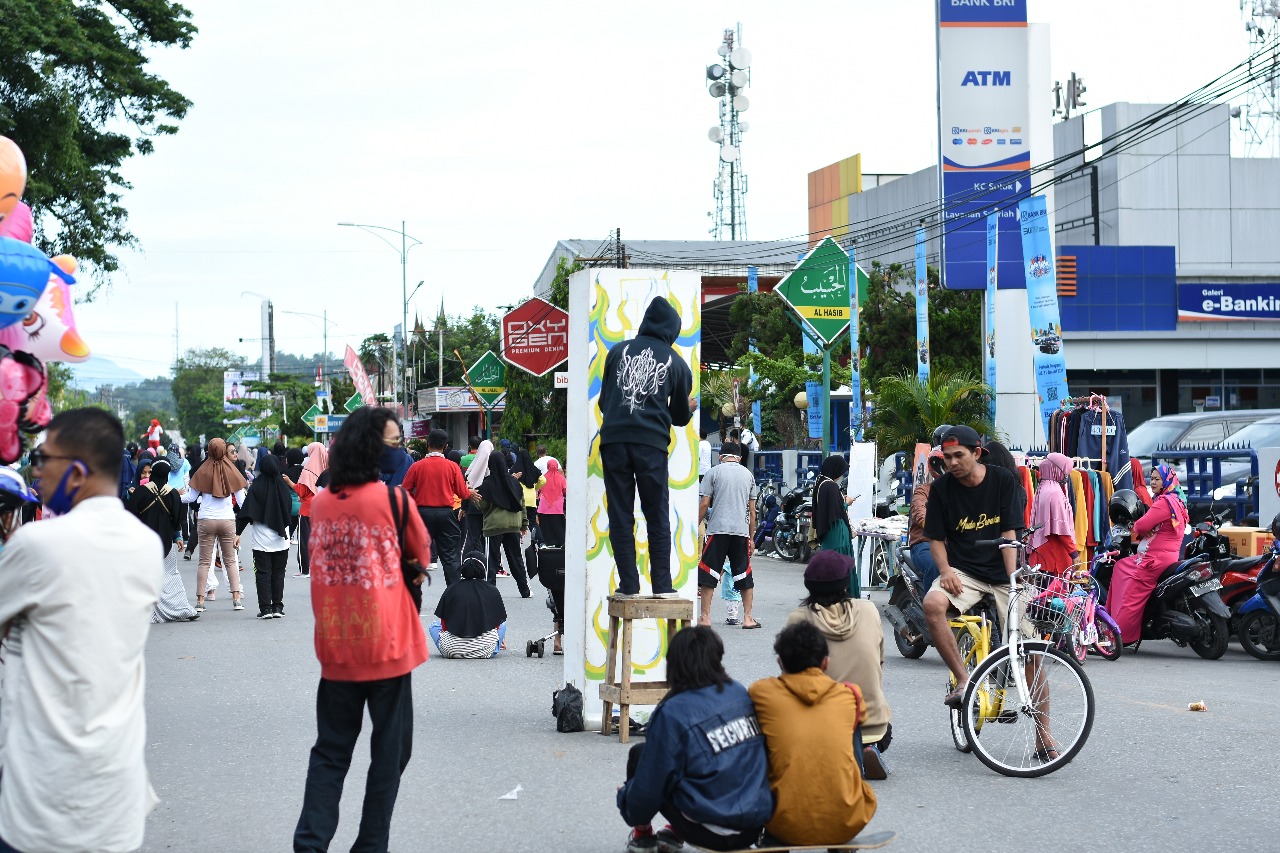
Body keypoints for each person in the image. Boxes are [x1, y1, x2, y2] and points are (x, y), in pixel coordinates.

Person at [0, 408, 163, 853]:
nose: (35, 470)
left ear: (74, 472)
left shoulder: (39, 546)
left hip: (42, 796)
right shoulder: (146, 544)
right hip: (115, 788)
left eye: (41, 459)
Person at [293, 407, 431, 853]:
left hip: (336, 646)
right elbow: (421, 557)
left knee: (331, 753)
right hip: (388, 646)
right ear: (372, 448)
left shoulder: (325, 501)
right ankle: (370, 845)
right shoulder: (393, 501)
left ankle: (310, 844)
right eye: (391, 443)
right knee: (391, 754)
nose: (396, 450)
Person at [616, 626, 773, 852]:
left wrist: (625, 797)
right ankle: (674, 830)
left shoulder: (672, 712)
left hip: (709, 831)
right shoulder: (738, 691)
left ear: (674, 665)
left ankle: (643, 836)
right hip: (753, 824)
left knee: (641, 756)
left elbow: (647, 792)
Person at [598, 296, 696, 597]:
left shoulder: (617, 352)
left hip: (613, 440)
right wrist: (688, 407)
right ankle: (663, 586)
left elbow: (604, 403)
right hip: (651, 444)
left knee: (620, 513)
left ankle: (629, 585)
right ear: (672, 330)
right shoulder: (677, 364)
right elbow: (679, 417)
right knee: (656, 513)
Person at [748, 622, 878, 848]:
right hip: (847, 820)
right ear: (825, 662)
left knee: (759, 730)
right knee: (853, 725)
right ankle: (844, 807)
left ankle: (770, 833)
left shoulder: (761, 692)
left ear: (780, 662)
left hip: (782, 823)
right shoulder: (850, 694)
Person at [922, 426, 1020, 707]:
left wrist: (1013, 579)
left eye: (958, 456)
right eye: (947, 457)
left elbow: (1010, 534)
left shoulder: (1002, 480)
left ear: (977, 453)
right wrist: (945, 571)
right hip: (964, 573)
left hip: (1004, 573)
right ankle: (964, 680)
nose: (952, 463)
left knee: (1031, 650)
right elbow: (936, 539)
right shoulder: (940, 490)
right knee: (932, 604)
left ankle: (1044, 737)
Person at [786, 551, 891, 779]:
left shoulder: (798, 619)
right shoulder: (868, 610)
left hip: (819, 725)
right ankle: (864, 750)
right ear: (845, 586)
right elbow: (879, 662)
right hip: (872, 725)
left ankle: (828, 751)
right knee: (881, 725)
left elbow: (790, 678)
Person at [1109, 464, 1189, 644]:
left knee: (1132, 594)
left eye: (1157, 479)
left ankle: (1120, 635)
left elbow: (1141, 525)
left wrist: (1135, 526)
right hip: (1168, 556)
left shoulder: (1164, 502)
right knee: (1121, 566)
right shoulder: (1177, 499)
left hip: (1154, 558)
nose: (1152, 482)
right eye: (1151, 478)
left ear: (1166, 480)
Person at [697, 441, 759, 628]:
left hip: (717, 530)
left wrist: (695, 526)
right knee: (743, 573)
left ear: (720, 456)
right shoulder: (748, 475)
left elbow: (704, 504)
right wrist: (751, 538)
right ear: (739, 458)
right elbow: (753, 511)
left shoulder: (713, 473)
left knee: (709, 572)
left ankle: (705, 618)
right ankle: (748, 618)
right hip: (740, 531)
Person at [128, 458, 199, 623]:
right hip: (166, 543)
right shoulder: (173, 494)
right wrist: (178, 536)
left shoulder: (140, 492)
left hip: (143, 544)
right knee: (170, 576)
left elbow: (130, 515)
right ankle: (180, 608)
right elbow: (177, 521)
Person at [182, 437, 248, 612]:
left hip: (206, 520)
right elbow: (242, 502)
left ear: (209, 450)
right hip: (227, 520)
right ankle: (236, 599)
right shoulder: (232, 471)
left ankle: (200, 601)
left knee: (204, 562)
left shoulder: (202, 471)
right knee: (230, 561)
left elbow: (190, 498)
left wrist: (172, 496)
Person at [402, 428, 475, 587]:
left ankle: (415, 598)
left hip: (422, 514)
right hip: (446, 514)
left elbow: (405, 491)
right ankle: (454, 595)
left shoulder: (417, 466)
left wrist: (415, 502)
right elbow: (462, 492)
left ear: (428, 444)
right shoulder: (452, 466)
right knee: (450, 558)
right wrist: (470, 491)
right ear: (445, 446)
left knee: (417, 556)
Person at [236, 453, 293, 619]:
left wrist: (238, 533)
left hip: (261, 540)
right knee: (278, 573)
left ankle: (266, 608)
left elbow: (246, 512)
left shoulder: (256, 487)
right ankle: (277, 607)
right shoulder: (283, 488)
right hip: (281, 539)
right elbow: (289, 512)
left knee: (262, 573)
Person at [476, 444, 532, 598]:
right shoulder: (514, 483)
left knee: (491, 561)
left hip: (494, 526)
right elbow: (522, 504)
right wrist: (524, 524)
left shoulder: (487, 484)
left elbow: (482, 504)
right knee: (516, 560)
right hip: (513, 525)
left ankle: (489, 591)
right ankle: (525, 590)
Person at [429, 552, 508, 658]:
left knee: (434, 626)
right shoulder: (492, 590)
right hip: (485, 649)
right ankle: (496, 645)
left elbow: (444, 625)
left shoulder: (451, 589)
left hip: (452, 650)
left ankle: (455, 646)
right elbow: (497, 624)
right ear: (484, 569)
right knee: (503, 625)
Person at [812, 453, 859, 596]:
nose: (840, 475)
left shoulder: (820, 482)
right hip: (837, 533)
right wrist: (847, 502)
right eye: (840, 472)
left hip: (828, 535)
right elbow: (837, 510)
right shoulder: (831, 486)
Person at [1027, 452, 1079, 575]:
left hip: (1042, 555)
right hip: (1054, 558)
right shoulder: (1054, 493)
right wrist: (1074, 553)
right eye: (1064, 470)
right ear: (1056, 469)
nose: (1066, 474)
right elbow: (1061, 529)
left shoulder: (1042, 488)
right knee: (1055, 593)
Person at [907, 447, 946, 595]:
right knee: (935, 564)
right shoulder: (923, 490)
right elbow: (919, 511)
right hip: (924, 543)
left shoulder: (961, 492)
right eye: (946, 462)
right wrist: (934, 526)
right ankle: (932, 611)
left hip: (952, 543)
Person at [289, 441, 328, 578]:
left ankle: (305, 570)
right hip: (323, 509)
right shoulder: (327, 469)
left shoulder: (308, 469)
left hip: (307, 509)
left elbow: (302, 491)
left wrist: (289, 483)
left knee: (305, 540)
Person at [514, 446, 544, 541]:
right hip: (531, 500)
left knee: (517, 522)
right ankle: (540, 542)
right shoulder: (533, 469)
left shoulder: (516, 469)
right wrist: (535, 487)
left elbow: (509, 480)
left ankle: (518, 541)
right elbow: (543, 480)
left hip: (519, 499)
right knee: (533, 522)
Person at [537, 458, 567, 548]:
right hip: (557, 507)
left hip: (544, 507)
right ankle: (560, 542)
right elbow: (565, 491)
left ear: (548, 466)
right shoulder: (561, 479)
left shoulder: (543, 477)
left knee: (545, 526)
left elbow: (537, 490)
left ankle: (546, 542)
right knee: (559, 527)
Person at [183, 443, 203, 560]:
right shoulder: (207, 465)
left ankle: (189, 549)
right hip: (211, 504)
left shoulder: (190, 463)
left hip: (194, 497)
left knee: (197, 527)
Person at [285, 446, 305, 543]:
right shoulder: (306, 472)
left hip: (289, 506)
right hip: (303, 505)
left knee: (290, 526)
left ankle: (289, 537)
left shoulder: (286, 473)